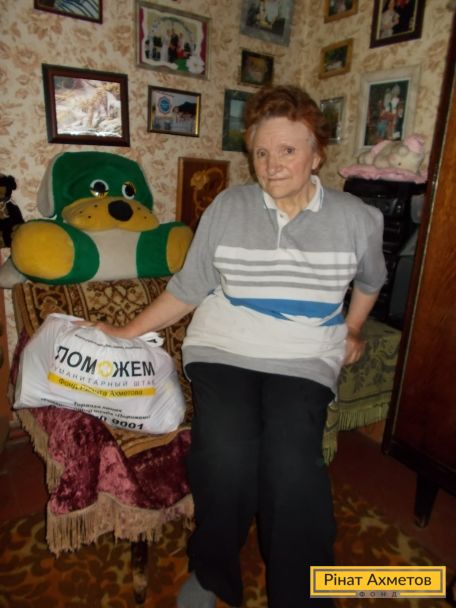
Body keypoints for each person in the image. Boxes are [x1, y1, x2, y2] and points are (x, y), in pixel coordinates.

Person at [92, 85, 386, 608]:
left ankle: (303, 595)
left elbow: (370, 281)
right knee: (224, 454)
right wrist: (124, 332)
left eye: (288, 150)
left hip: (305, 356)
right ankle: (213, 574)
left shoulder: (357, 218)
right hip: (224, 348)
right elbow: (188, 289)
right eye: (262, 152)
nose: (272, 165)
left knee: (292, 463)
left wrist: (353, 329)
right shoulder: (228, 207)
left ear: (317, 154)